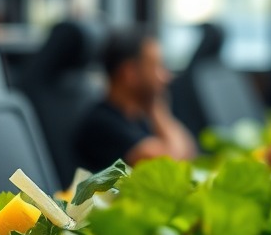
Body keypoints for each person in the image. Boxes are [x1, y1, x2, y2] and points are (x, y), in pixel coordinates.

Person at [74, 26, 196, 172]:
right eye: (157, 67)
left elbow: (190, 153)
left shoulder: (137, 117)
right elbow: (170, 166)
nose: (166, 77)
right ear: (130, 73)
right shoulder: (102, 124)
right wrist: (159, 111)